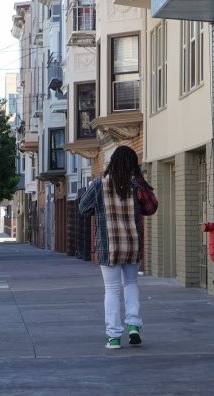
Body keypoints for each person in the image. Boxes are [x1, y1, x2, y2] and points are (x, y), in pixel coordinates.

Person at [78, 144, 153, 350]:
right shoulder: (137, 185)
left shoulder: (98, 185)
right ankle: (134, 326)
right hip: (131, 244)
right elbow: (151, 207)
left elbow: (83, 208)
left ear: (112, 163)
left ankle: (113, 337)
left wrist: (100, 210)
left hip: (108, 245)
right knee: (130, 283)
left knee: (111, 290)